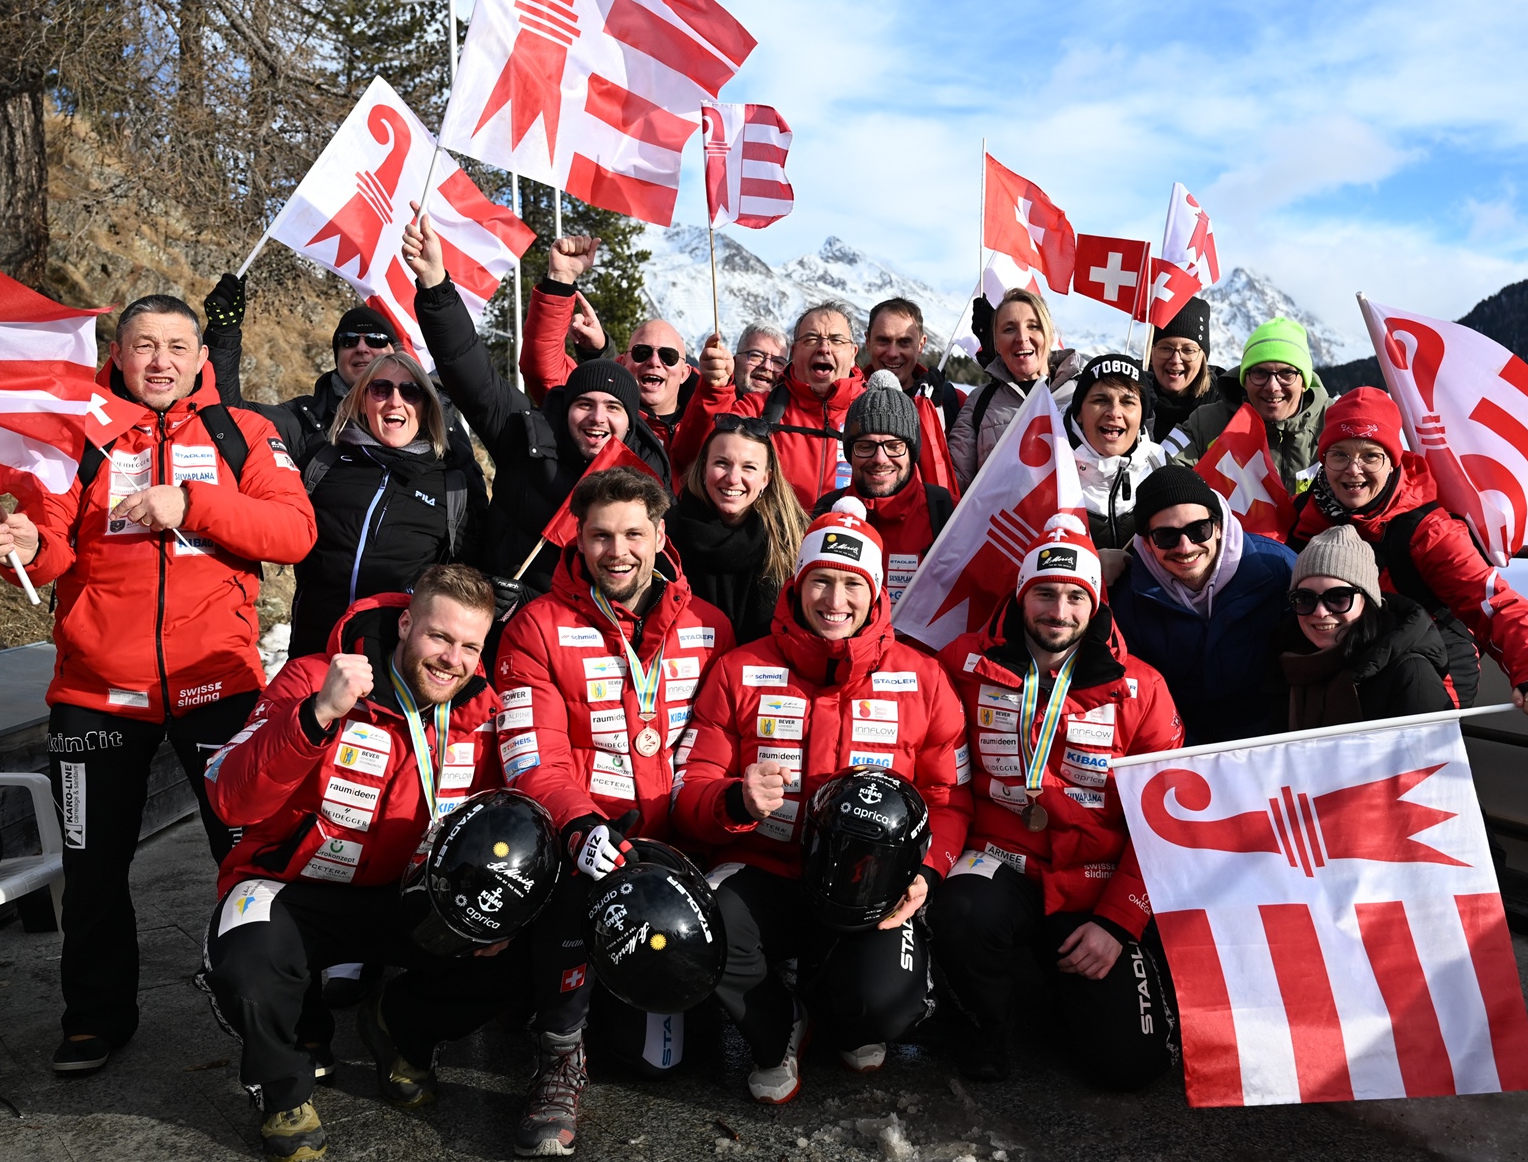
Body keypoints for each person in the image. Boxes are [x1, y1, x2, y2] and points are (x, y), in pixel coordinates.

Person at [0, 294, 317, 1075]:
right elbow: (46, 551)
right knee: (93, 864)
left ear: (202, 357)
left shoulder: (243, 431)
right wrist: (20, 543)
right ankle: (95, 1017)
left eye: (176, 346)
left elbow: (295, 532)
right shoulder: (74, 436)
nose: (160, 361)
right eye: (143, 346)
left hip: (216, 684)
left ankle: (277, 1012)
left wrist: (191, 502)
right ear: (118, 355)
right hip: (99, 691)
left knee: (248, 852)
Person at [200, 568, 528, 1160]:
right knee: (246, 962)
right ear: (406, 624)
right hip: (296, 888)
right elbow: (227, 794)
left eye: (469, 646)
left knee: (521, 949)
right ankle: (282, 1089)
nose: (451, 659)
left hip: (409, 899)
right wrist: (315, 716)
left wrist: (497, 916)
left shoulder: (483, 714)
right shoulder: (310, 675)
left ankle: (399, 1025)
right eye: (438, 637)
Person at [674, 499, 970, 1102]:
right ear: (798, 584)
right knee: (703, 928)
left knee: (880, 1014)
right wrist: (733, 800)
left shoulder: (924, 678)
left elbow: (950, 799)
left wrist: (928, 872)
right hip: (767, 870)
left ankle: (842, 1006)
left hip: (870, 888)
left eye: (851, 584)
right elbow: (689, 789)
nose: (835, 600)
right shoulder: (738, 669)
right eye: (821, 581)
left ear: (877, 594)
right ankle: (780, 1024)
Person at [491, 467, 735, 1155]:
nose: (617, 550)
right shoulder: (537, 624)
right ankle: (559, 1055)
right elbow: (529, 754)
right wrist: (577, 822)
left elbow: (716, 748)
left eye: (633, 533)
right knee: (574, 883)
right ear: (578, 536)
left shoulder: (711, 625)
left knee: (662, 1062)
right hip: (591, 841)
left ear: (661, 536)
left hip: (679, 848)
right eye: (600, 534)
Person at [933, 514, 1183, 1086]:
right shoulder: (961, 665)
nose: (1059, 611)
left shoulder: (1143, 689)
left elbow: (1164, 825)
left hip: (1094, 884)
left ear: (1095, 606)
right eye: (1044, 593)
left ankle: (1065, 982)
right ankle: (983, 1027)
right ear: (1021, 596)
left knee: (1132, 1068)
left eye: (1076, 596)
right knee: (963, 912)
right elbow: (940, 782)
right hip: (1001, 859)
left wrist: (1118, 924)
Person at [401, 210, 671, 594]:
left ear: (630, 420)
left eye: (613, 408)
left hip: (595, 634)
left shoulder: (647, 469)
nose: (597, 418)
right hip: (508, 620)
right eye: (585, 404)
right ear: (566, 407)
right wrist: (435, 286)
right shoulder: (528, 435)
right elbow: (468, 369)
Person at [1288, 387, 1528, 715]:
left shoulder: (1427, 530)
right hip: (1350, 664)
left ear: (1392, 462)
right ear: (1323, 459)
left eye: (1370, 455)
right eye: (1339, 454)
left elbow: (1494, 602)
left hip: (1430, 671)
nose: (1354, 469)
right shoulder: (1304, 514)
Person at [286, 351, 487, 658]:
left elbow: (469, 577)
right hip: (312, 656)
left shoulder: (451, 483)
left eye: (410, 391)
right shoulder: (322, 461)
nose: (395, 401)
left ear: (426, 406)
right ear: (363, 402)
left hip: (395, 668)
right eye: (380, 389)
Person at [201, 274, 474, 469]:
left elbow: (470, 511)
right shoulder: (305, 420)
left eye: (376, 340)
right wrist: (223, 334)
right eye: (349, 341)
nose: (361, 348)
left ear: (396, 353)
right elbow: (230, 418)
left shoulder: (437, 421)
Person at [1109, 465, 1295, 744]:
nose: (1185, 547)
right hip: (1183, 745)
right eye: (1166, 536)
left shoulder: (1278, 568)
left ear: (1219, 527)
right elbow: (1133, 695)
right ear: (1146, 543)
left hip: (1276, 738)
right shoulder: (1127, 599)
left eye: (1198, 530)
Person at [675, 303, 868, 510]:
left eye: (836, 340)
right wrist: (714, 392)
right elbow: (696, 459)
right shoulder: (758, 409)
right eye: (811, 339)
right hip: (772, 540)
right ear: (795, 352)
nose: (824, 348)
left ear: (853, 354)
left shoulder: (873, 414)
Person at [1275, 526, 1456, 729]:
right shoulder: (1288, 667)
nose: (1320, 612)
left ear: (1368, 600)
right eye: (1305, 598)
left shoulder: (1410, 673)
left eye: (1337, 597)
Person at [517, 236, 694, 444]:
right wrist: (559, 280)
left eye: (668, 356)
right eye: (642, 353)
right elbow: (542, 370)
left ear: (685, 372)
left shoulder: (708, 426)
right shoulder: (597, 417)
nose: (654, 361)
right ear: (624, 362)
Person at [811, 371, 956, 604]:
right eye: (866, 446)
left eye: (894, 445)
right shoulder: (825, 513)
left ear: (912, 451)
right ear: (849, 452)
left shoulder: (947, 513)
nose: (880, 459)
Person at [668, 417, 810, 643]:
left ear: (766, 478)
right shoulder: (667, 533)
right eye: (721, 463)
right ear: (704, 468)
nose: (733, 478)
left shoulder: (793, 538)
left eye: (749, 467)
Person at [1167, 316, 1328, 490]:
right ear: (1244, 379)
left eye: (1286, 373)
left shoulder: (1337, 423)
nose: (1272, 386)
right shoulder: (1205, 424)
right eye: (1260, 373)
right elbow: (1163, 476)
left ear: (1304, 382)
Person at [949, 289, 1082, 493]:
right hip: (1000, 523)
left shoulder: (1083, 394)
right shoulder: (980, 401)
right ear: (996, 344)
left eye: (1033, 326)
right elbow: (956, 484)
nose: (1022, 337)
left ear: (1049, 334)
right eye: (1009, 329)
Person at [1067, 354, 1166, 551]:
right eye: (1100, 400)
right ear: (1079, 413)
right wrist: (1094, 565)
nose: (1114, 412)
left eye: (1127, 402)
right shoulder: (1046, 465)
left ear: (1141, 415)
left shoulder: (1159, 464)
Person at [865, 297, 961, 492]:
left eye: (904, 342)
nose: (892, 353)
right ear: (867, 341)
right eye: (883, 340)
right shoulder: (846, 400)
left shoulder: (953, 401)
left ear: (921, 344)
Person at [1144, 296, 1239, 444]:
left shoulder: (1228, 403)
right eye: (1166, 348)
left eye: (1188, 350)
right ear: (1151, 352)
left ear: (1203, 356)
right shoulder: (1130, 392)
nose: (1175, 359)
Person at [733, 322, 790, 397]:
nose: (767, 366)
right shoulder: (715, 398)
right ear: (736, 360)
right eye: (756, 356)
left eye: (778, 362)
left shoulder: (792, 407)